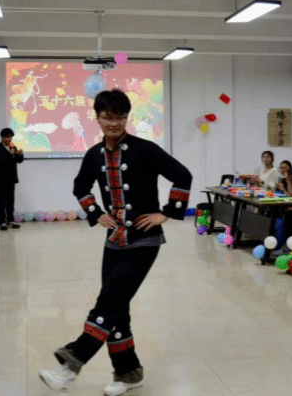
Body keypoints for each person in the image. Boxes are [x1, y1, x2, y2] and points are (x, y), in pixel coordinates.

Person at [39, 89, 192, 395]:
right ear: (97, 118)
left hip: (144, 239)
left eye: (120, 117)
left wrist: (166, 213)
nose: (114, 123)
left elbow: (182, 175)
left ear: (127, 118)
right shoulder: (94, 154)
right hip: (114, 240)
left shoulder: (145, 149)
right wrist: (96, 213)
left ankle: (70, 364)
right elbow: (80, 187)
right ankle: (128, 372)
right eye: (108, 117)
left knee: (108, 301)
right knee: (117, 307)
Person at [0, 128, 24, 231]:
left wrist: (20, 154)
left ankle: (11, 220)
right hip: (1, 179)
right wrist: (10, 154)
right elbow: (0, 162)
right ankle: (2, 222)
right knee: (1, 201)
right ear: (2, 137)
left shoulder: (13, 147)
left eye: (10, 137)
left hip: (11, 178)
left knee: (11, 201)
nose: (8, 139)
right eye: (6, 137)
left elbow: (18, 161)